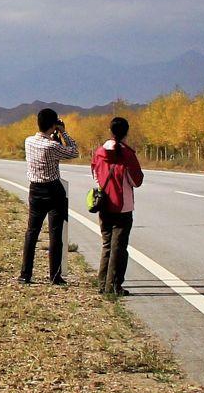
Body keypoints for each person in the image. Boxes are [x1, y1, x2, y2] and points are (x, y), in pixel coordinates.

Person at [20, 107, 80, 285]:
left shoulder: (28, 141)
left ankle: (25, 274)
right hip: (53, 191)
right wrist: (63, 132)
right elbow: (74, 151)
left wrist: (54, 131)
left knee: (32, 232)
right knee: (55, 234)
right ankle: (55, 275)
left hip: (35, 190)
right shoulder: (53, 146)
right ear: (53, 125)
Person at [92, 116, 145, 295]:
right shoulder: (127, 154)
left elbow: (95, 173)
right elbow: (136, 181)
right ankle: (114, 285)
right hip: (123, 206)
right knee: (119, 247)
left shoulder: (100, 152)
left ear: (111, 131)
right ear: (126, 132)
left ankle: (102, 283)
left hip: (104, 204)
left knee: (107, 244)